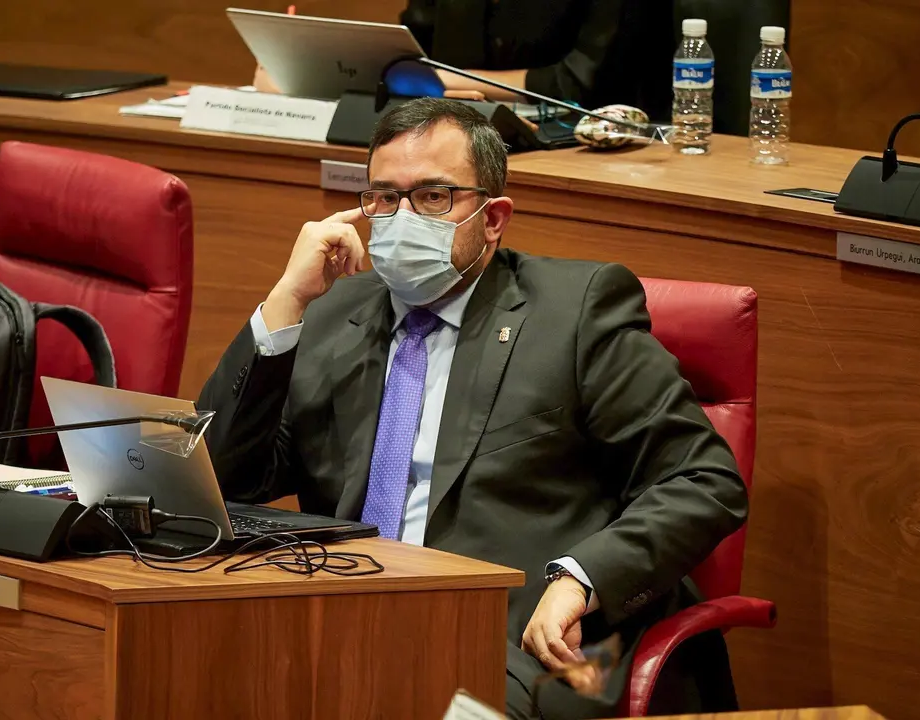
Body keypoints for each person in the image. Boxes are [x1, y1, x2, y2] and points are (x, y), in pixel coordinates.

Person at [198, 97, 747, 718]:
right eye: (384, 198)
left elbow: (702, 480)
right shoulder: (334, 314)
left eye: (433, 197)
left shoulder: (575, 313)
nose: (403, 218)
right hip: (343, 620)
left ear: (493, 219)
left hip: (519, 641)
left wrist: (579, 579)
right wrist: (284, 304)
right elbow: (222, 481)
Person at [398, 0, 673, 116]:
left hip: (575, 139)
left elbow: (580, 83)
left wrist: (449, 80)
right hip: (448, 123)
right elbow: (412, 44)